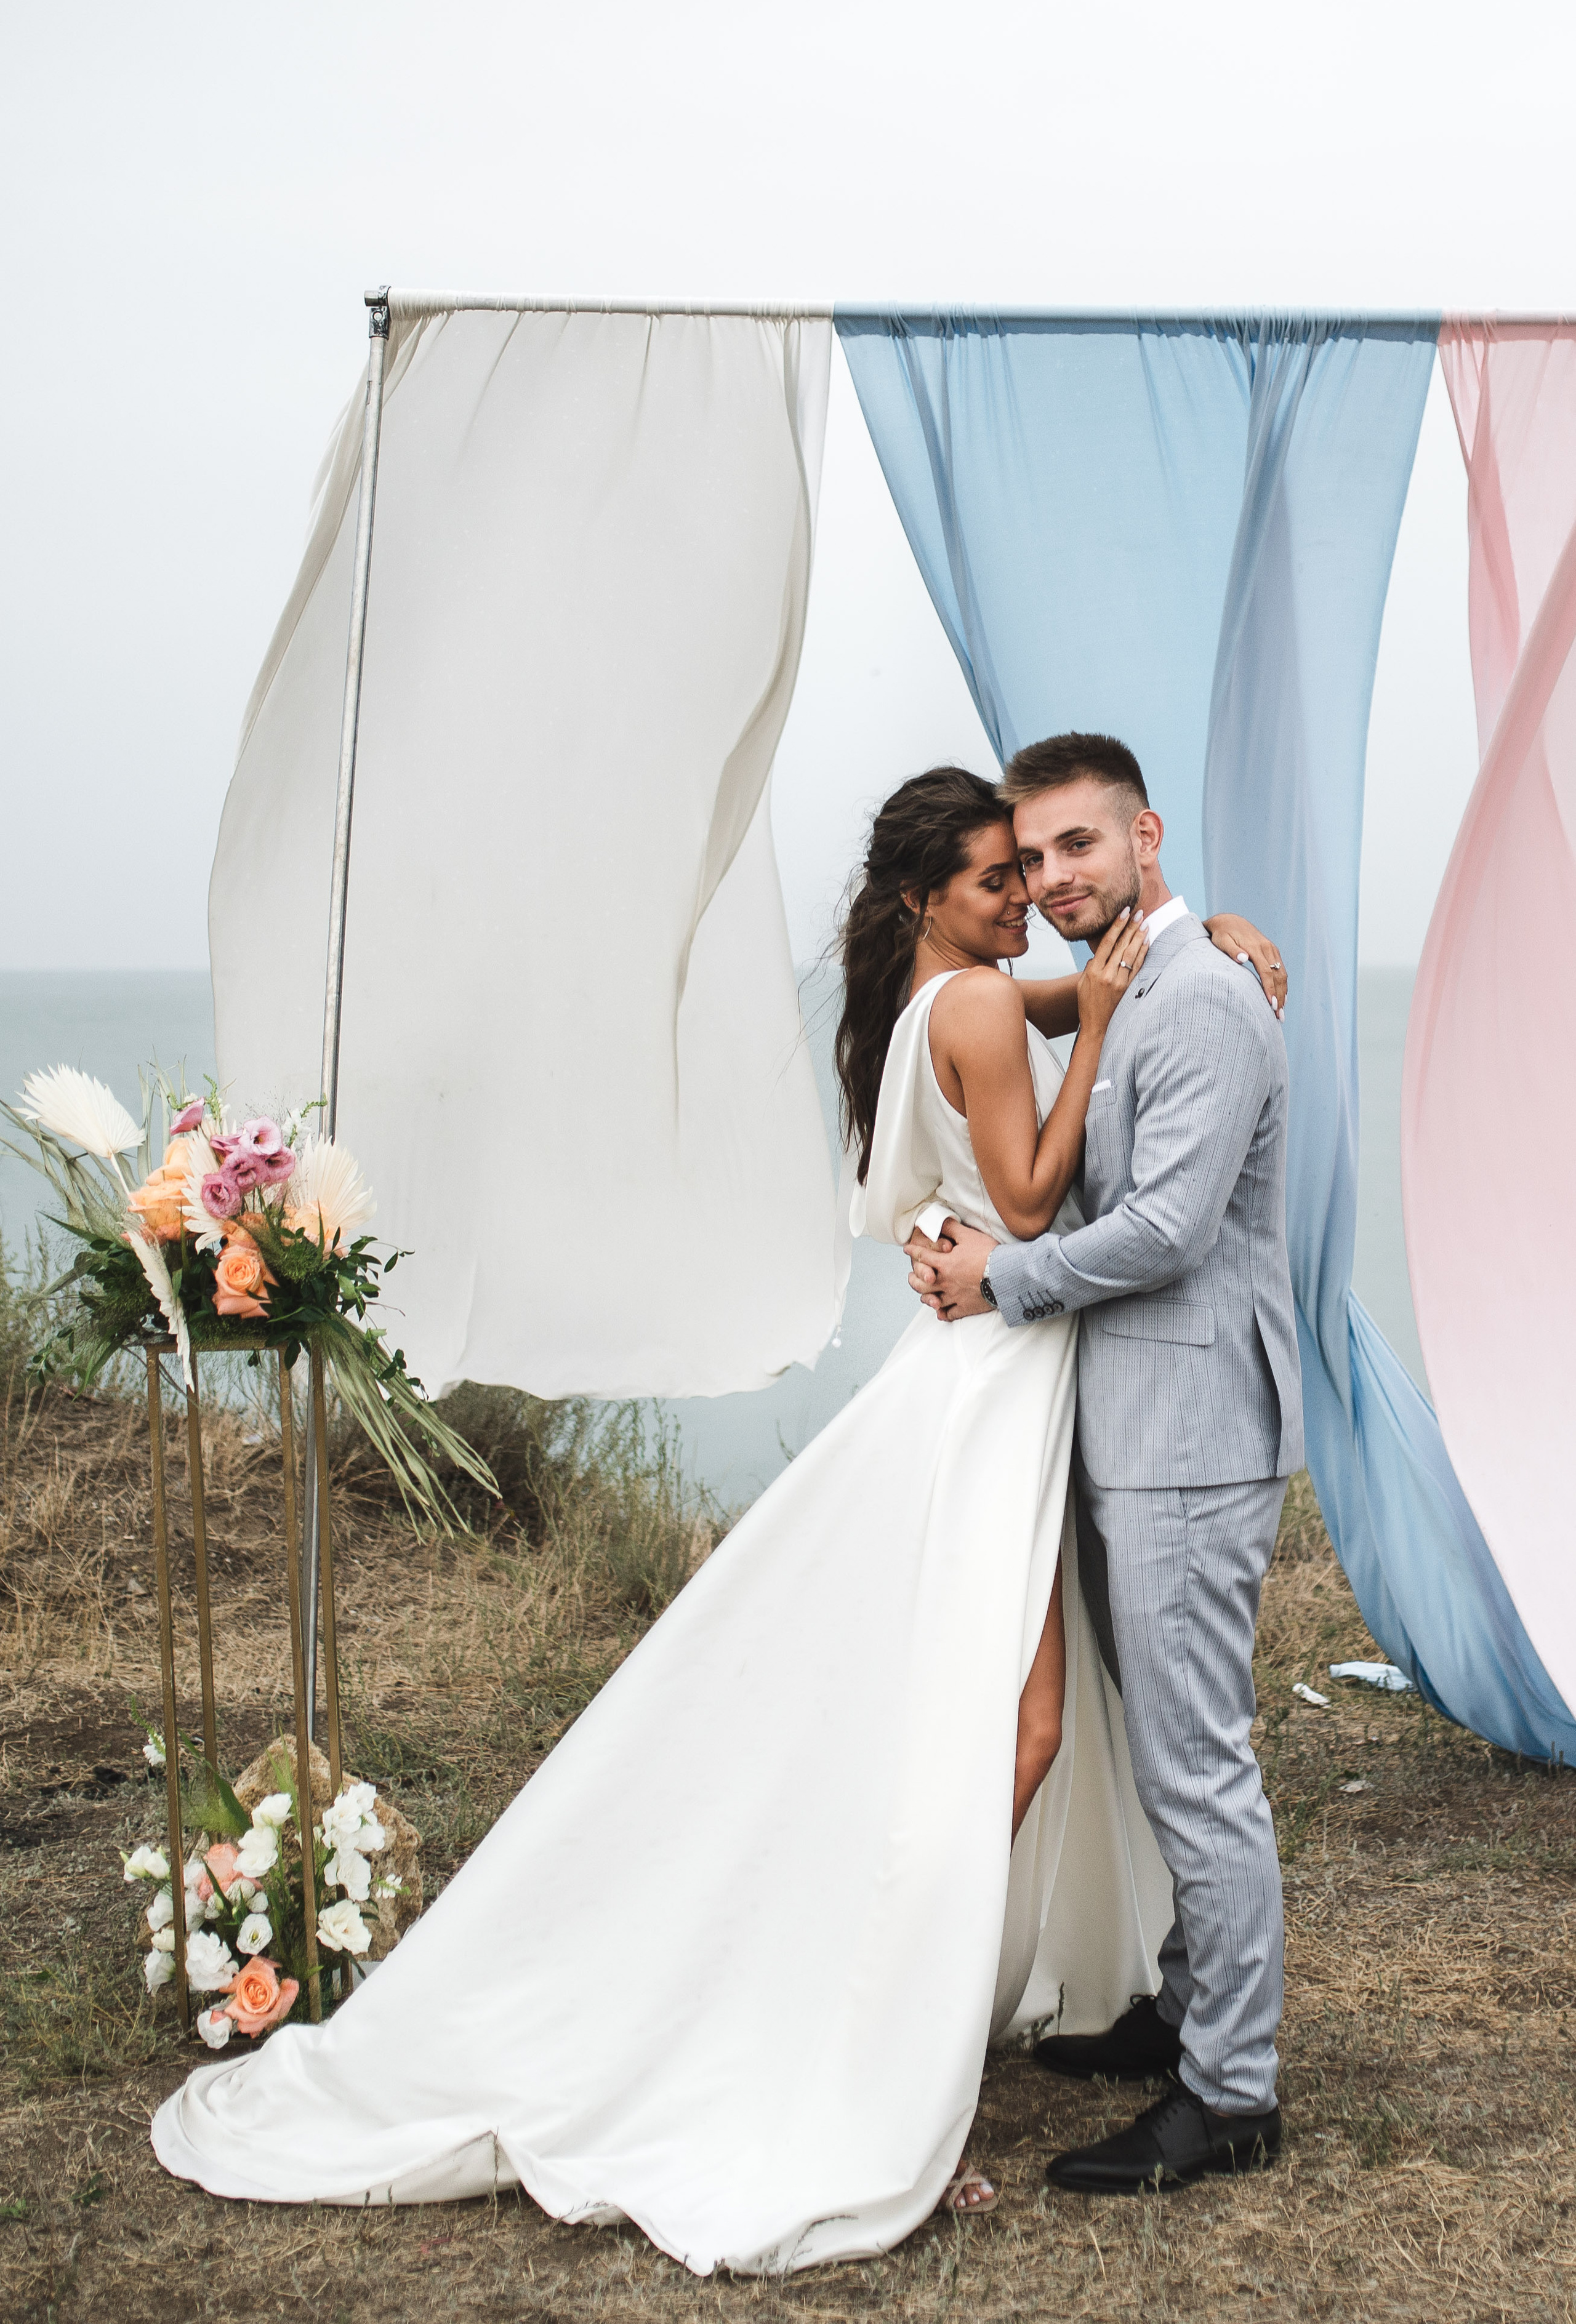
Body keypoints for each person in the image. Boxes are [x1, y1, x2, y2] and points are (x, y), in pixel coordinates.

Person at [151, 761, 1285, 2270]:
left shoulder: (959, 1000)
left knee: (1003, 1709)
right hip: (999, 1371)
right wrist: (1127, 992)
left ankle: (1059, 2009)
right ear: (925, 898)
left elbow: (1094, 1009)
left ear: (1129, 844)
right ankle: (885, 2012)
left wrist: (1198, 938)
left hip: (997, 1378)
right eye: (1005, 873)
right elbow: (1025, 1205)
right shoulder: (970, 1011)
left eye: (1048, 863)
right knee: (1006, 1722)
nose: (1030, 893)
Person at [908, 732, 1302, 2195]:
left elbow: (1164, 1234)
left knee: (1196, 1764)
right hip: (1126, 1426)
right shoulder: (1132, 979)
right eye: (1031, 858)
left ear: (1141, 835)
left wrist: (994, 1282)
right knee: (1165, 1751)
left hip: (1190, 1435)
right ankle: (1188, 2006)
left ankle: (1233, 2090)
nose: (1052, 876)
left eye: (1078, 846)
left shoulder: (1197, 999)